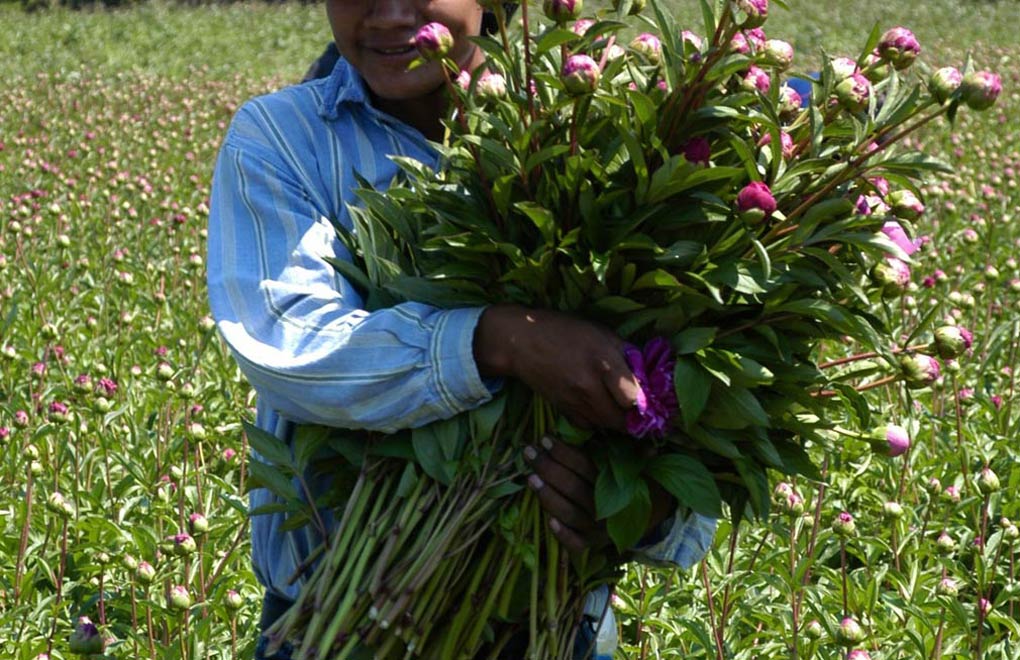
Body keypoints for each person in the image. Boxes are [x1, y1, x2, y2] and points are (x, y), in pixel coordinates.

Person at [206, 0, 717, 657]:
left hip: (553, 630)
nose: (386, 13)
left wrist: (635, 512)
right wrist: (502, 340)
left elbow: (691, 377)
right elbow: (293, 345)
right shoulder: (285, 137)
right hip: (333, 623)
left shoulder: (600, 137)